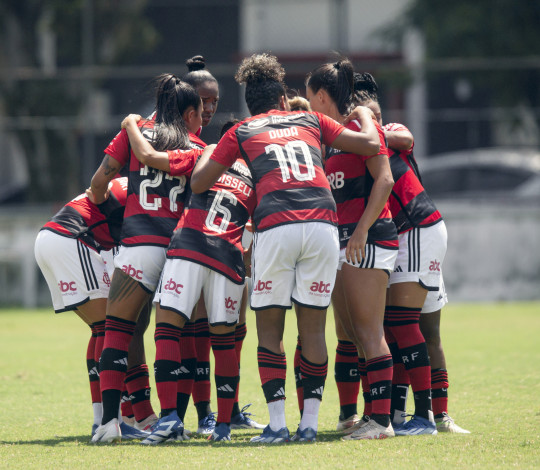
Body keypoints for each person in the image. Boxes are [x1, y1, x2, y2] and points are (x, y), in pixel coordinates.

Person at [190, 53, 381, 443]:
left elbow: (198, 183)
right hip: (323, 226)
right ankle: (309, 424)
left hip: (277, 226)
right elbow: (369, 144)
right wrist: (363, 114)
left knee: (269, 327)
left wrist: (212, 153)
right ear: (282, 100)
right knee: (313, 328)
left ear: (249, 105)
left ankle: (277, 425)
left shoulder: (241, 131)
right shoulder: (311, 119)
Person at [89, 74, 206, 443]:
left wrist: (108, 207)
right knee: (177, 335)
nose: (202, 121)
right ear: (188, 114)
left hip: (138, 247)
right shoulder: (198, 147)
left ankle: (108, 424)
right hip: (178, 251)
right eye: (200, 113)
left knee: (117, 333)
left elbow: (98, 184)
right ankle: (173, 421)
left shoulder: (135, 130)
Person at [354, 72, 469, 434]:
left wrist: (370, 127)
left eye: (371, 113)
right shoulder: (359, 147)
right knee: (410, 328)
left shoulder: (385, 134)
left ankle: (426, 417)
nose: (367, 119)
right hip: (416, 233)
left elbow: (406, 135)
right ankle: (420, 415)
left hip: (418, 229)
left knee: (407, 325)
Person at [306, 58, 398, 440]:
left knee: (369, 330)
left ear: (323, 97)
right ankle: (365, 416)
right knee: (351, 333)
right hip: (344, 243)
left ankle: (381, 422)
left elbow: (386, 180)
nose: (309, 105)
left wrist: (360, 232)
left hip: (369, 238)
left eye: (311, 98)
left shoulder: (363, 126)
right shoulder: (333, 136)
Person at [34, 177, 153, 440]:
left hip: (52, 238)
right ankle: (112, 421)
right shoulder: (140, 190)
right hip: (71, 239)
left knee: (100, 329)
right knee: (112, 328)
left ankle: (102, 419)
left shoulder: (129, 183)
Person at [182, 55, 220, 432]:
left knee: (204, 328)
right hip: (166, 245)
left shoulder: (203, 142)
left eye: (214, 102)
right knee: (184, 331)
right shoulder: (173, 140)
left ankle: (209, 411)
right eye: (201, 101)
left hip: (195, 247)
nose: (208, 108)